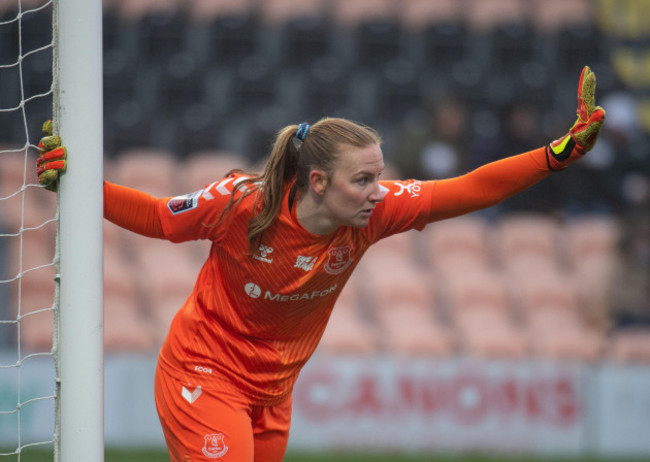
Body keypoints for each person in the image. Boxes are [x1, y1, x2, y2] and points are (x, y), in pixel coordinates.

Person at [36, 66, 605, 461]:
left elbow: (471, 187)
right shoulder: (241, 202)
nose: (377, 190)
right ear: (317, 181)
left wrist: (558, 155)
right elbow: (160, 217)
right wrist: (80, 182)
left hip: (273, 393)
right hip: (202, 374)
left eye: (378, 175)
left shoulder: (374, 212)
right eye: (362, 179)